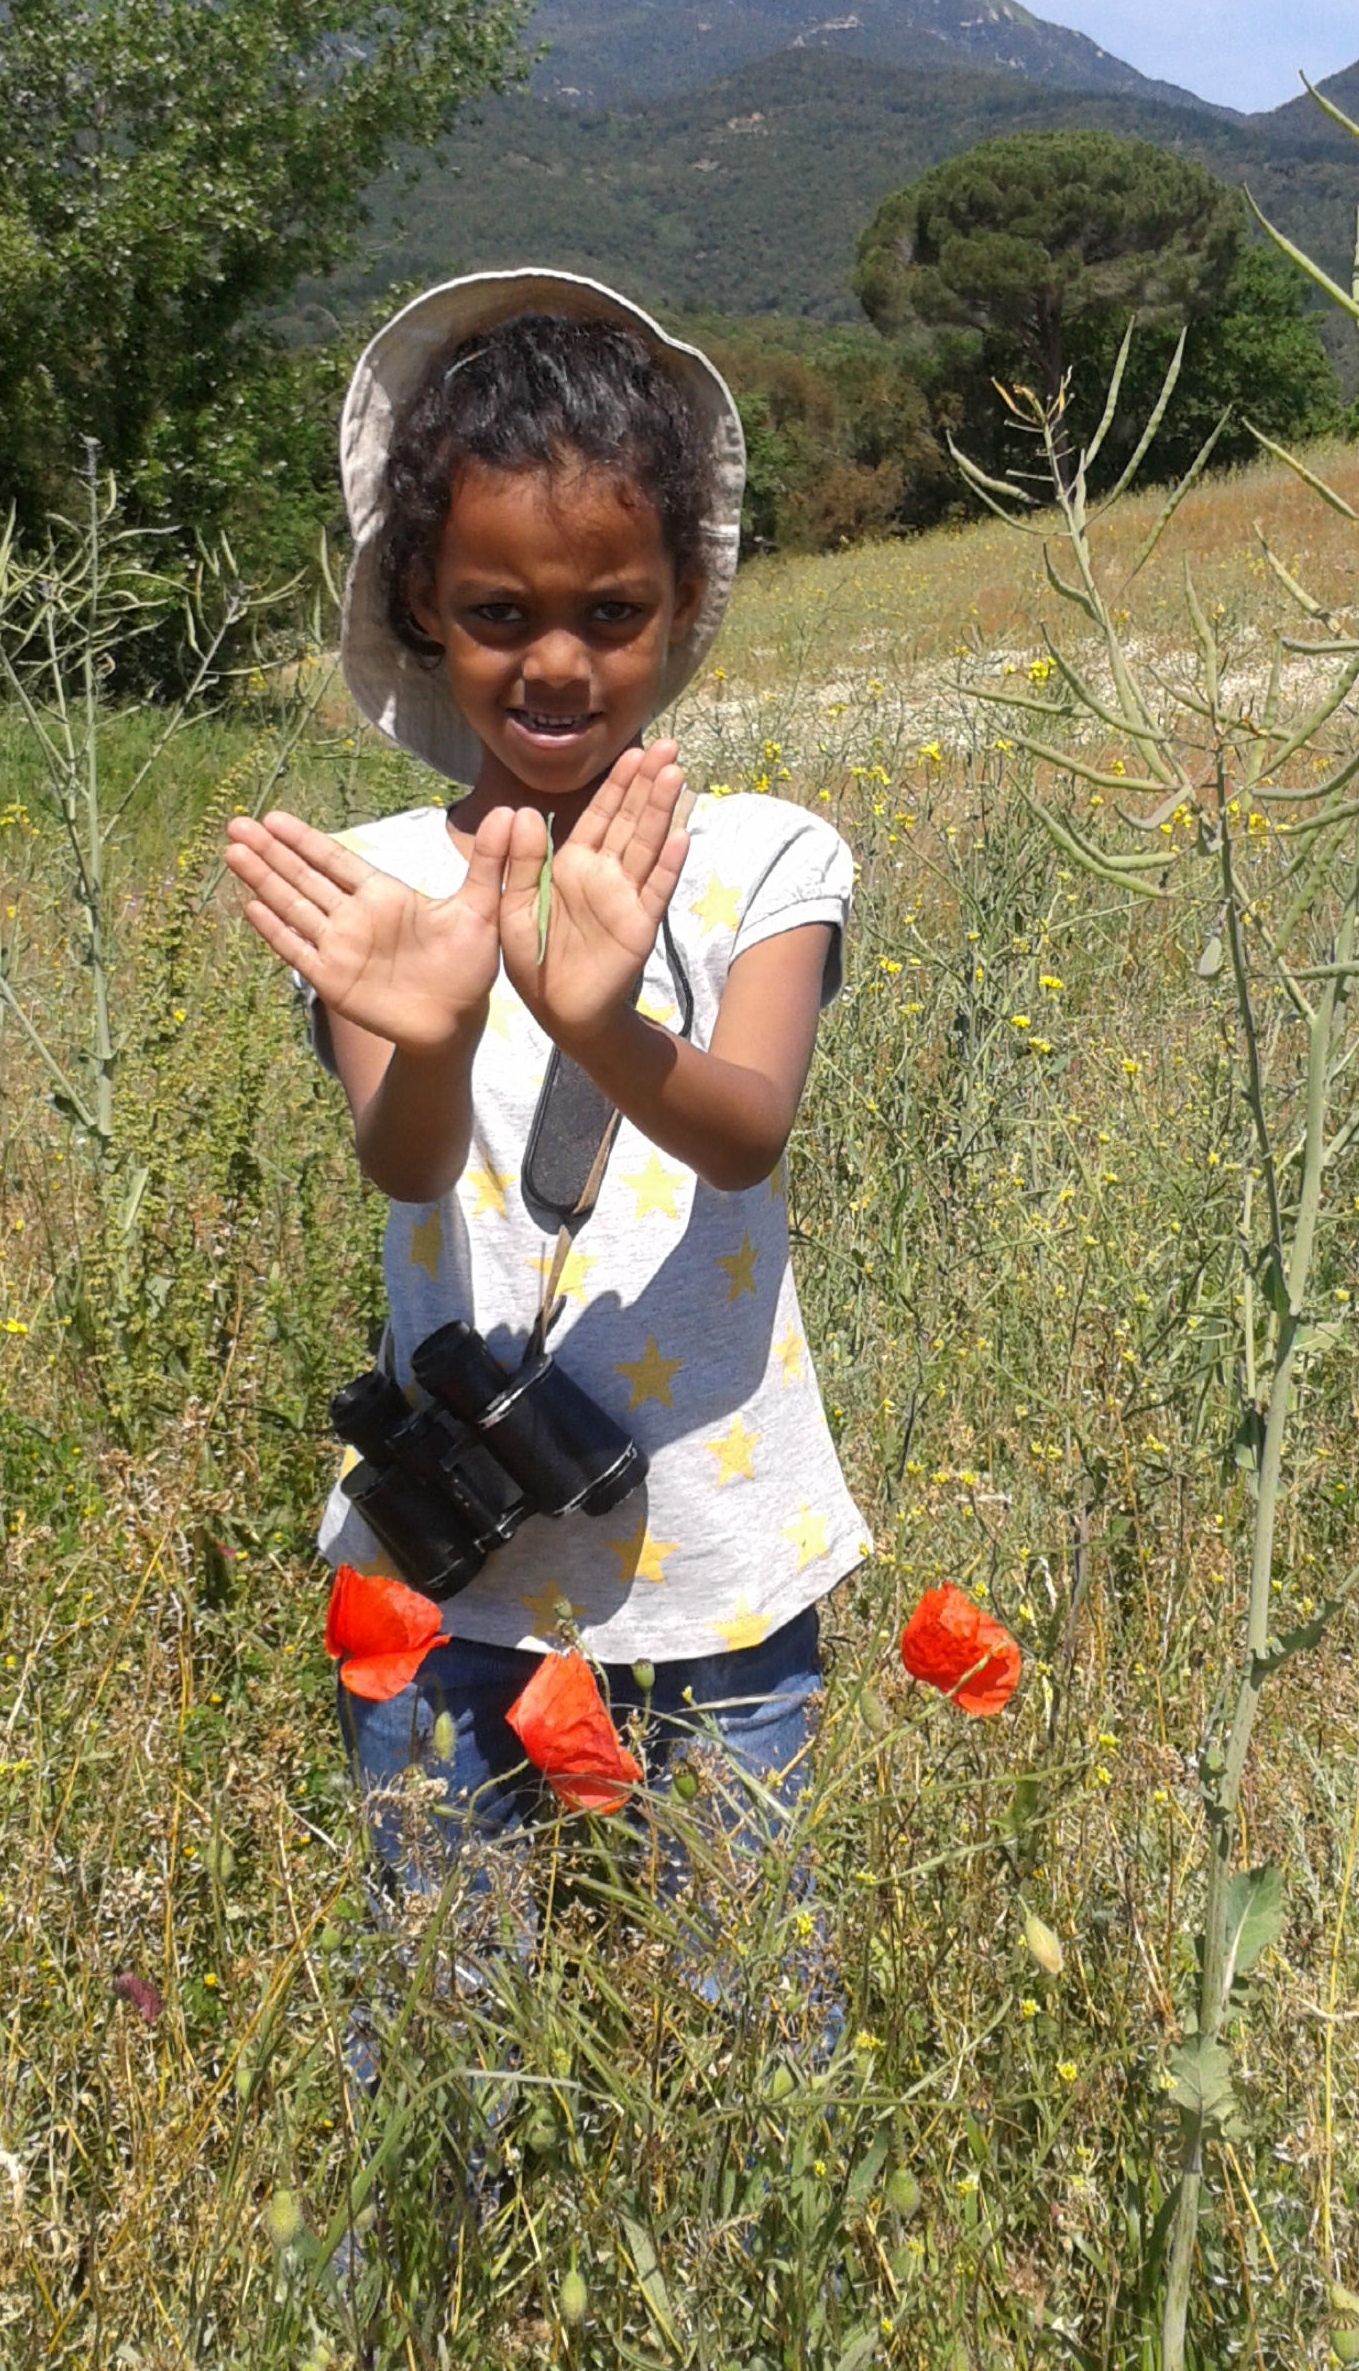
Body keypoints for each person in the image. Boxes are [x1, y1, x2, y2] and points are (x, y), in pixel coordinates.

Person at [224, 270, 867, 1904]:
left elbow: (746, 1129)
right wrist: (434, 1028)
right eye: (500, 613)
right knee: (445, 2015)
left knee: (746, 1999)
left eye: (613, 610)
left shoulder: (759, 856)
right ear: (424, 605)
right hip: (454, 1570)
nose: (558, 661)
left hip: (718, 1553)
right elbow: (405, 1160)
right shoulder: (379, 892)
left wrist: (601, 1025)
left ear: (682, 597)